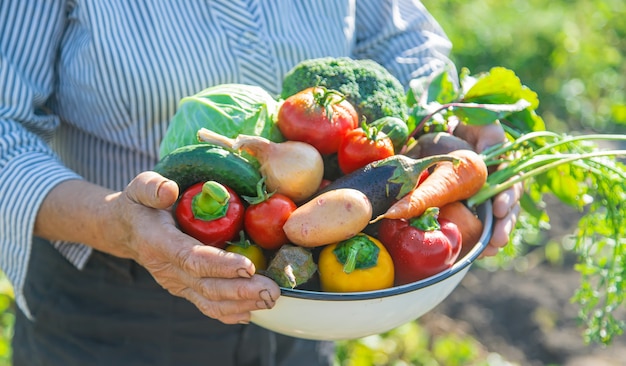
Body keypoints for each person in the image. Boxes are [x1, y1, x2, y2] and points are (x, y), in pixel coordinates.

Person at [0, 1, 521, 365]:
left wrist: (456, 119)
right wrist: (121, 224)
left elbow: (402, 38)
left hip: (303, 284)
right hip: (114, 305)